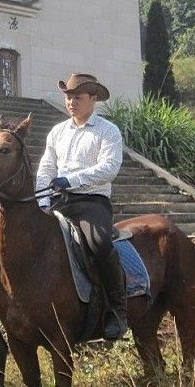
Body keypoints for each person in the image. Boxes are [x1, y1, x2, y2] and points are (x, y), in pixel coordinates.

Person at [35, 73, 127, 340]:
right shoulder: (57, 131)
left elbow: (108, 168)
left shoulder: (108, 131)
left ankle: (117, 310)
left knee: (98, 242)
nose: (71, 102)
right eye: (68, 97)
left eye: (77, 97)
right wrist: (42, 199)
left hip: (91, 201)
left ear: (93, 99)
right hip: (57, 200)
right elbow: (46, 167)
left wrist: (71, 179)